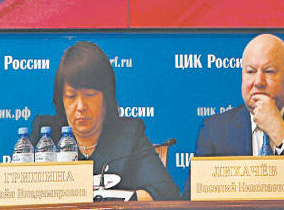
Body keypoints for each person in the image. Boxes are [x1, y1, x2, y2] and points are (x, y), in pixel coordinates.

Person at [185, 34, 284, 197]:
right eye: (250, 71)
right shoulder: (214, 131)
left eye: (269, 71)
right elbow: (193, 199)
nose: (258, 82)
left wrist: (281, 135)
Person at [30, 42, 179, 200]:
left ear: (106, 97)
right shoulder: (44, 134)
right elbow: (19, 192)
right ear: (61, 99)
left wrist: (112, 200)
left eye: (90, 95)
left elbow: (166, 193)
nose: (81, 106)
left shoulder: (129, 135)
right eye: (71, 96)